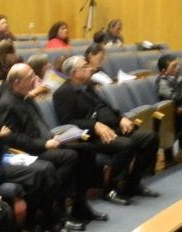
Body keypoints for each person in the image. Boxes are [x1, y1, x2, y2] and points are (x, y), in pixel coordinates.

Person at [0, 83, 91, 232]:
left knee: (45, 168)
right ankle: (45, 222)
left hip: (6, 157)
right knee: (44, 169)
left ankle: (40, 221)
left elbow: (5, 137)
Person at [0, 63, 100, 231]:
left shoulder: (25, 97)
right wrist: (44, 143)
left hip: (47, 143)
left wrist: (53, 137)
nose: (35, 80)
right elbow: (12, 139)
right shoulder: (6, 104)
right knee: (69, 157)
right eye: (30, 77)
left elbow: (38, 125)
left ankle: (80, 205)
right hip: (30, 152)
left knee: (87, 149)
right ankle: (58, 211)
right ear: (16, 82)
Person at [54, 56, 160, 204]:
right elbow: (68, 122)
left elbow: (105, 107)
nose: (90, 68)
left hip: (112, 129)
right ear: (73, 73)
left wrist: (121, 117)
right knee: (126, 145)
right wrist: (94, 126)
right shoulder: (63, 93)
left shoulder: (89, 86)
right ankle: (110, 188)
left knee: (150, 137)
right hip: (91, 137)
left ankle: (133, 184)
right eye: (84, 67)